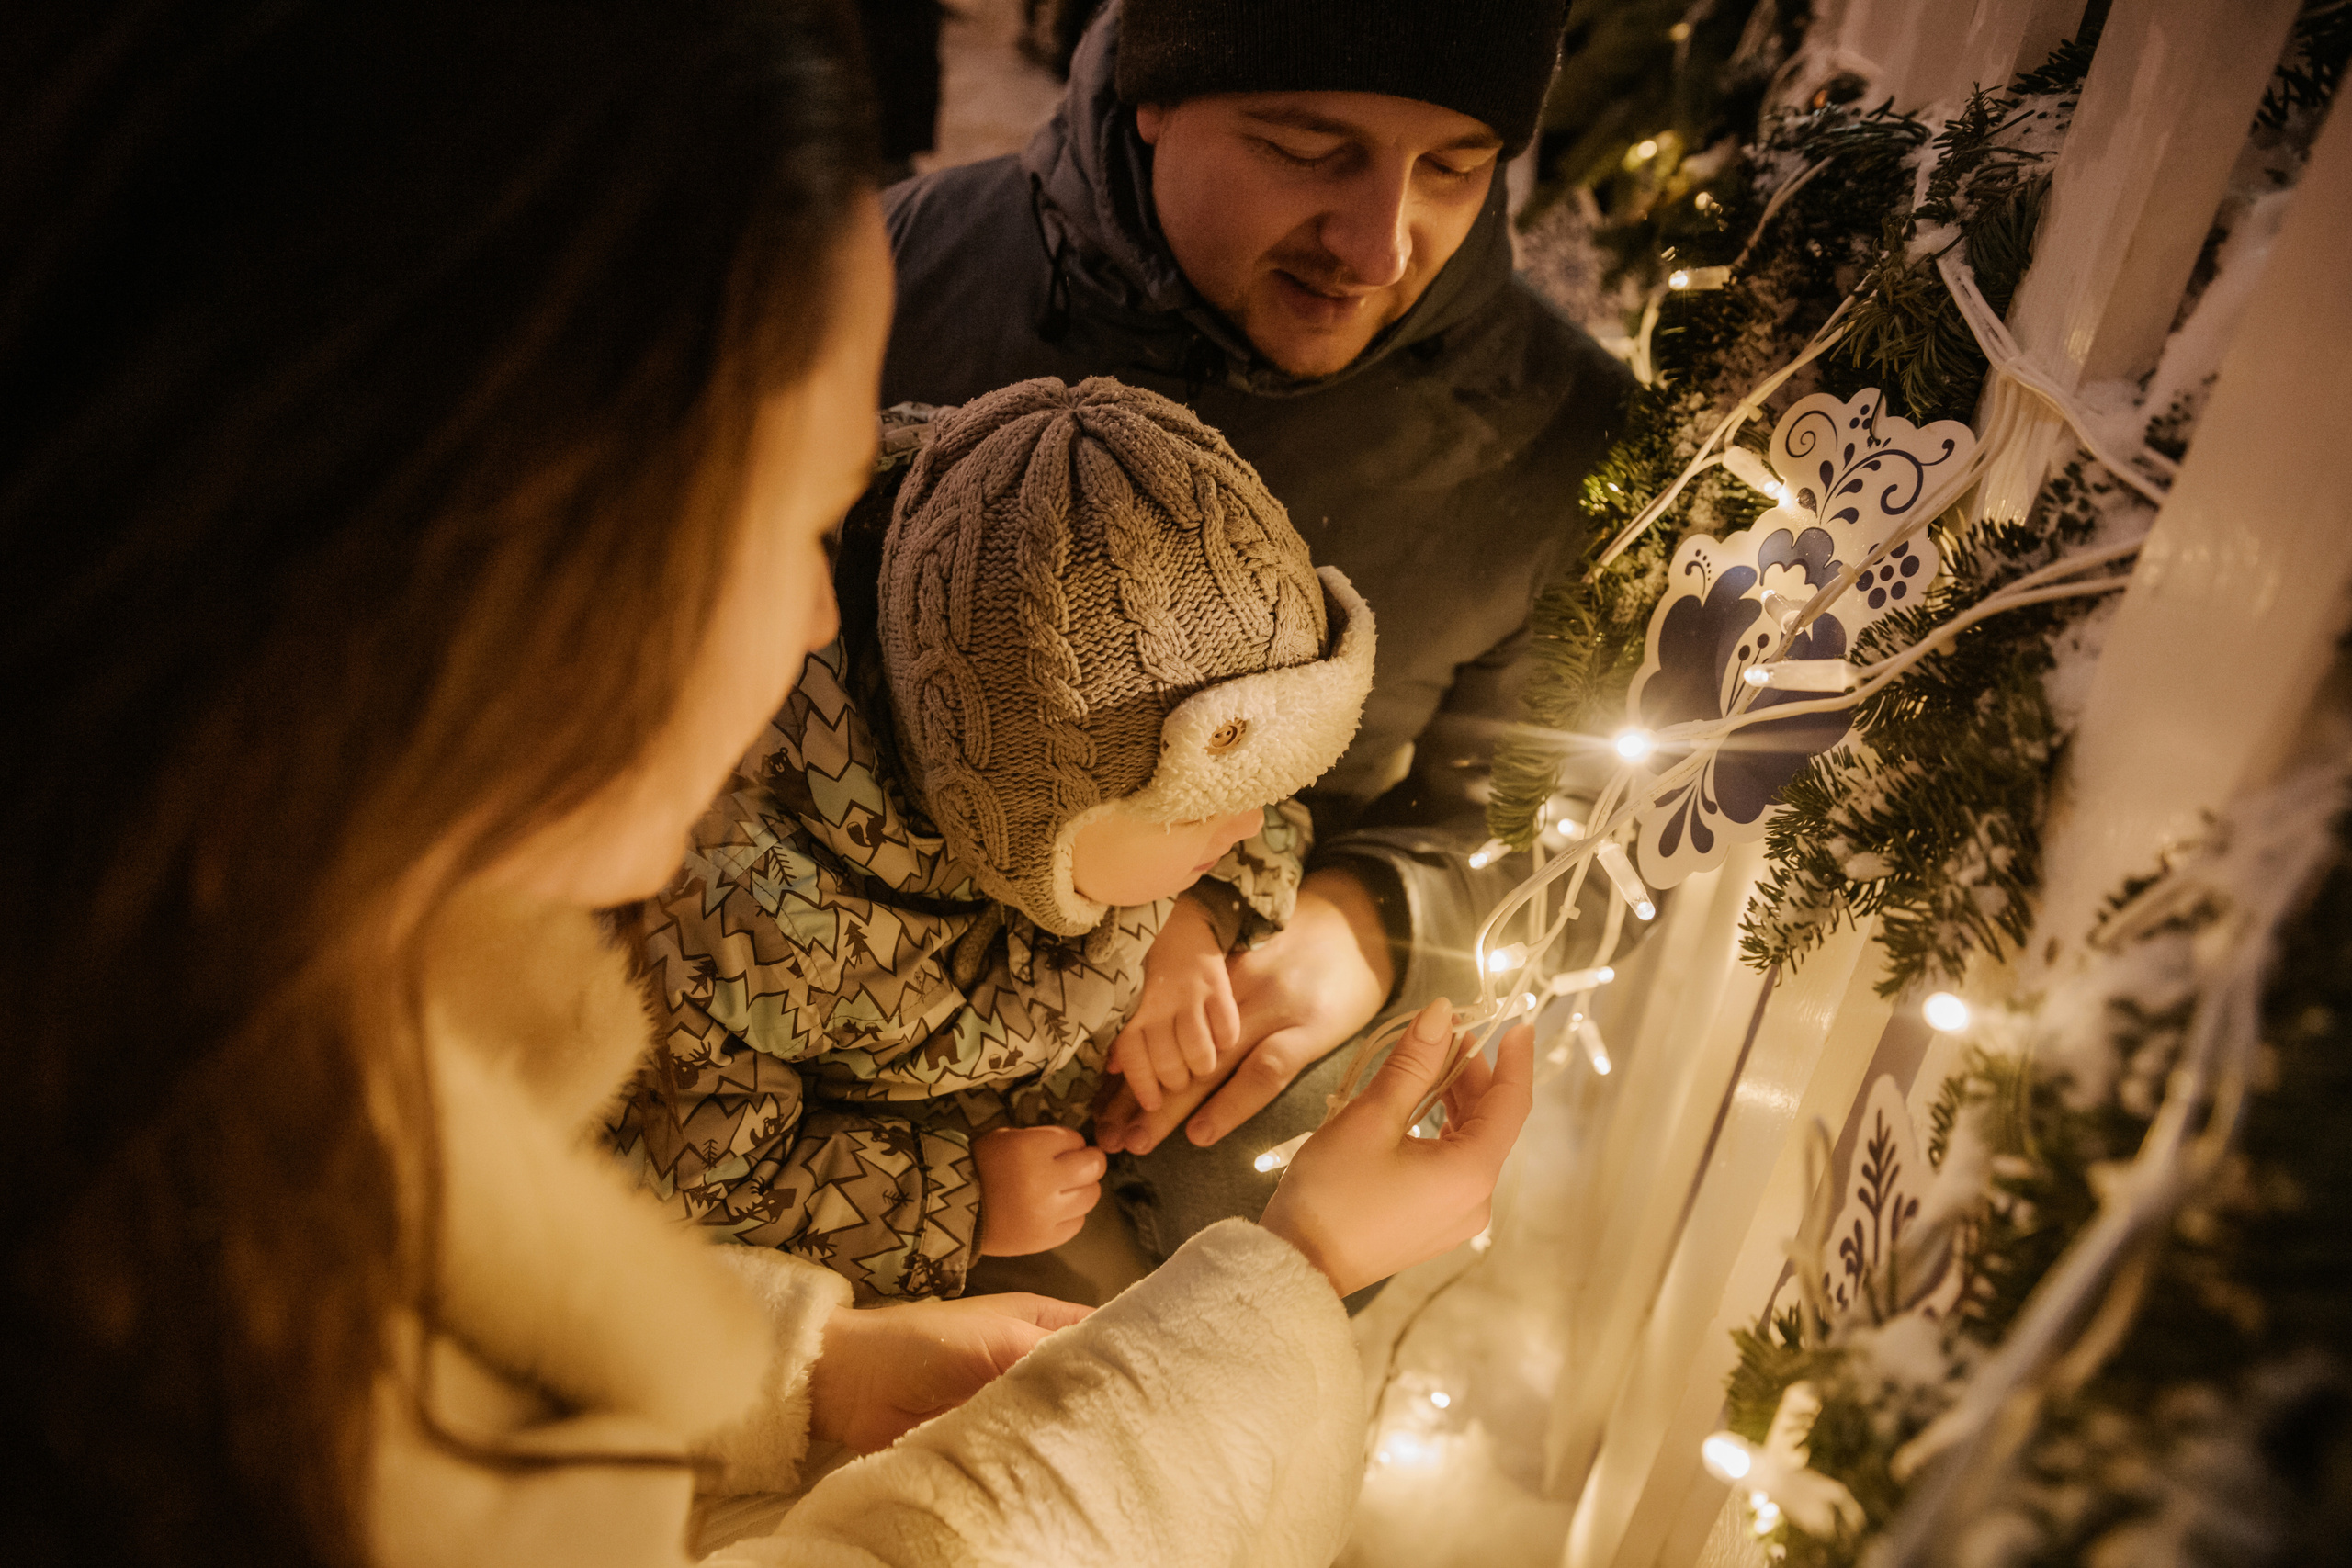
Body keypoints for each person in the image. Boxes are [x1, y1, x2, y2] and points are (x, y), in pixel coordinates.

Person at [0, 6, 1532, 1567]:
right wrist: (1290, 1276)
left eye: (1462, 165)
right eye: (811, 516)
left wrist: (794, 1371)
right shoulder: (187, 1338)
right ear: (490, 524)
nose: (823, 620)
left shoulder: (287, 1044)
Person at [875, 0, 1635, 1258]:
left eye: (1454, 166)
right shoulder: (897, 272)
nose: (1381, 243)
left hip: (1187, 1107)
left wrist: (1374, 923)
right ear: (1157, 97)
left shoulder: (1571, 445)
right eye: (1306, 145)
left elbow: (1583, 822)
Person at [614, 375, 1376, 1301]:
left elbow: (1259, 802)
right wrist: (954, 1200)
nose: (1250, 821)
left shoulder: (1182, 804)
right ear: (1016, 818)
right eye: (1196, 813)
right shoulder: (743, 916)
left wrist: (1197, 915)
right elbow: (692, 1173)